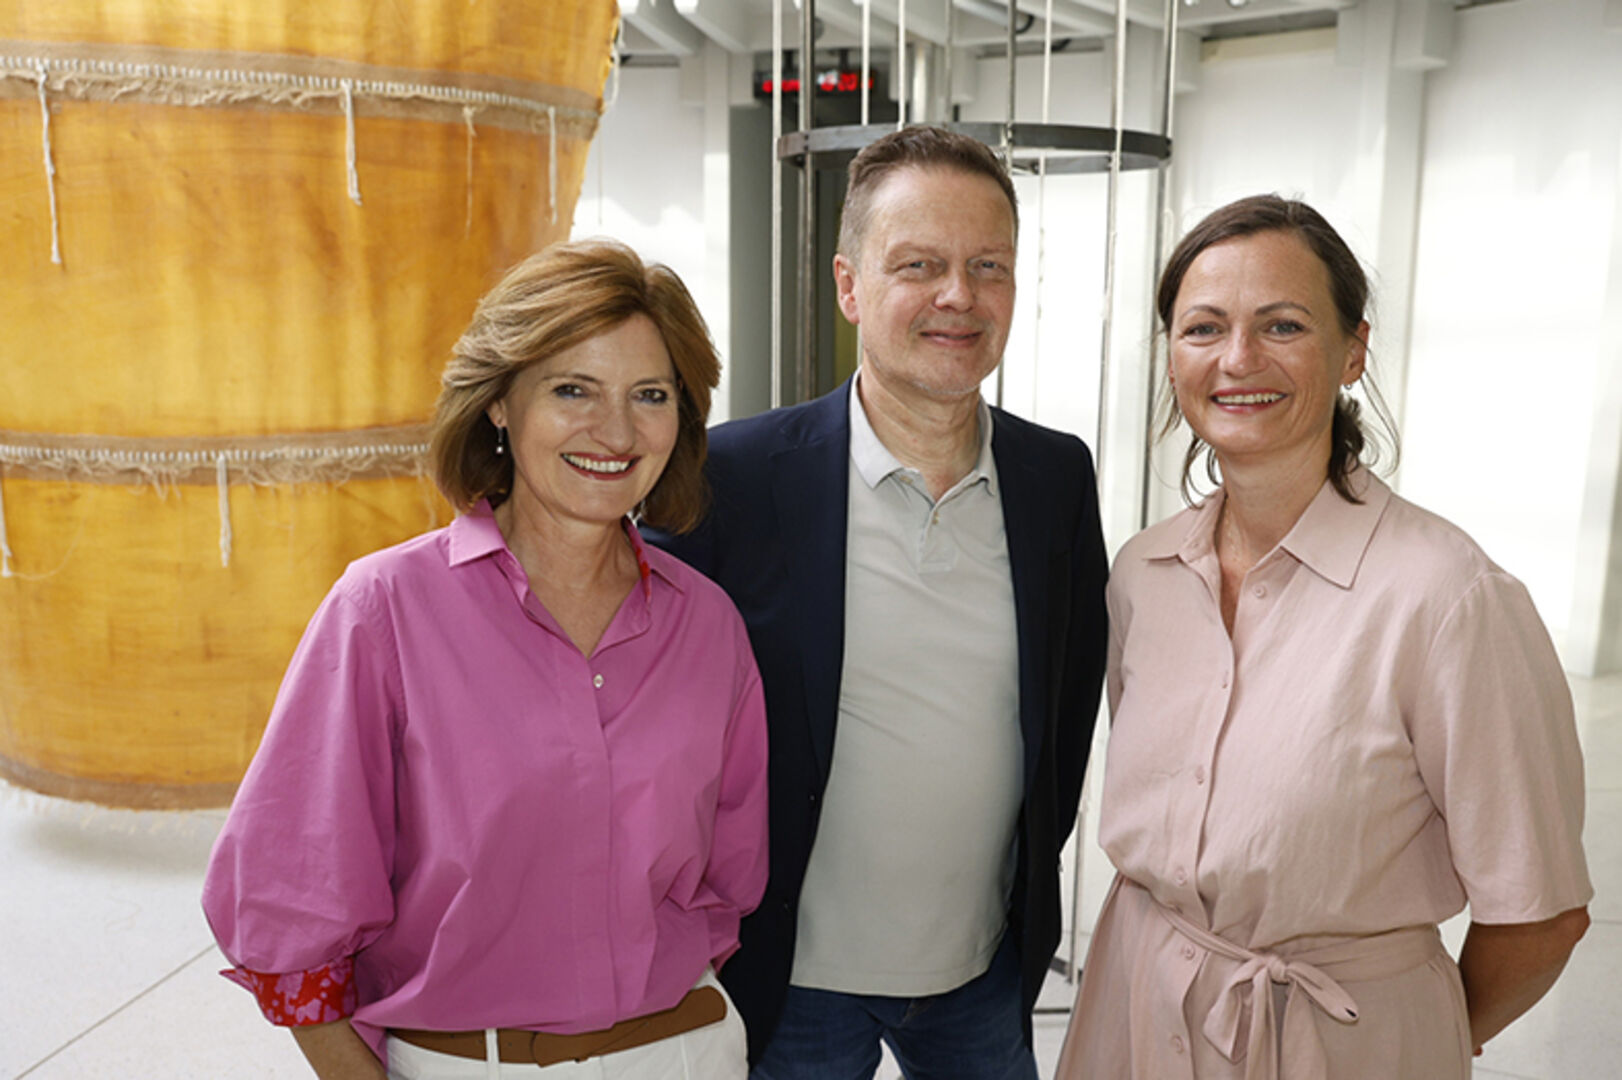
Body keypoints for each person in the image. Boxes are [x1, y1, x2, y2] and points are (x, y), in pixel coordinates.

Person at [201, 239, 769, 1080]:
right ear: (500, 404)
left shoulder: (708, 624)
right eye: (572, 389)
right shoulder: (383, 611)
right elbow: (289, 906)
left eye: (649, 395)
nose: (614, 431)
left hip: (689, 1053)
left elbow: (729, 886)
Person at [1056, 194, 1593, 1079]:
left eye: (1283, 325)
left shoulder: (1449, 600)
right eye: (1203, 328)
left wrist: (1407, 1040)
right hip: (1135, 1017)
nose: (1238, 360)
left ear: (1352, 350)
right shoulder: (1144, 574)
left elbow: (1540, 918)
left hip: (1340, 1045)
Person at [647, 125, 1109, 1079]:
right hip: (792, 975)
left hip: (981, 966)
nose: (959, 296)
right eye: (920, 265)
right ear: (850, 286)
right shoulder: (733, 480)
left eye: (990, 266)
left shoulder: (1055, 476)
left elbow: (1066, 706)